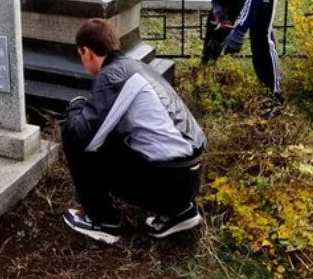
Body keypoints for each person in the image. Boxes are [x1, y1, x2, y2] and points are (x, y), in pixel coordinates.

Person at [62, 19, 207, 244]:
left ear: (87, 52)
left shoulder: (111, 76)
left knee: (75, 137)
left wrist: (76, 107)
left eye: (80, 55)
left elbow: (81, 138)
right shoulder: (136, 66)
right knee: (110, 136)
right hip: (189, 175)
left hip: (168, 180)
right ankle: (181, 212)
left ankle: (102, 221)